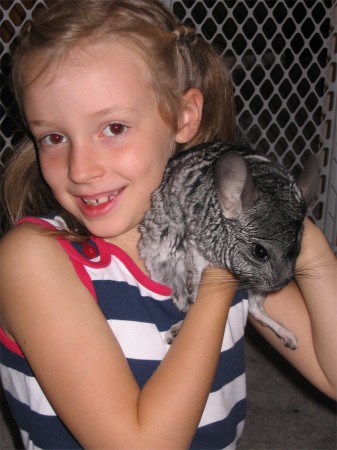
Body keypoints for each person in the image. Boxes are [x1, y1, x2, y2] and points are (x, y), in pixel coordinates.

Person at [0, 1, 335, 449]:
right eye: (54, 138)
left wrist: (295, 228)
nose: (80, 169)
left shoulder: (224, 231)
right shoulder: (30, 258)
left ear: (184, 117)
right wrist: (218, 277)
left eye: (113, 127)